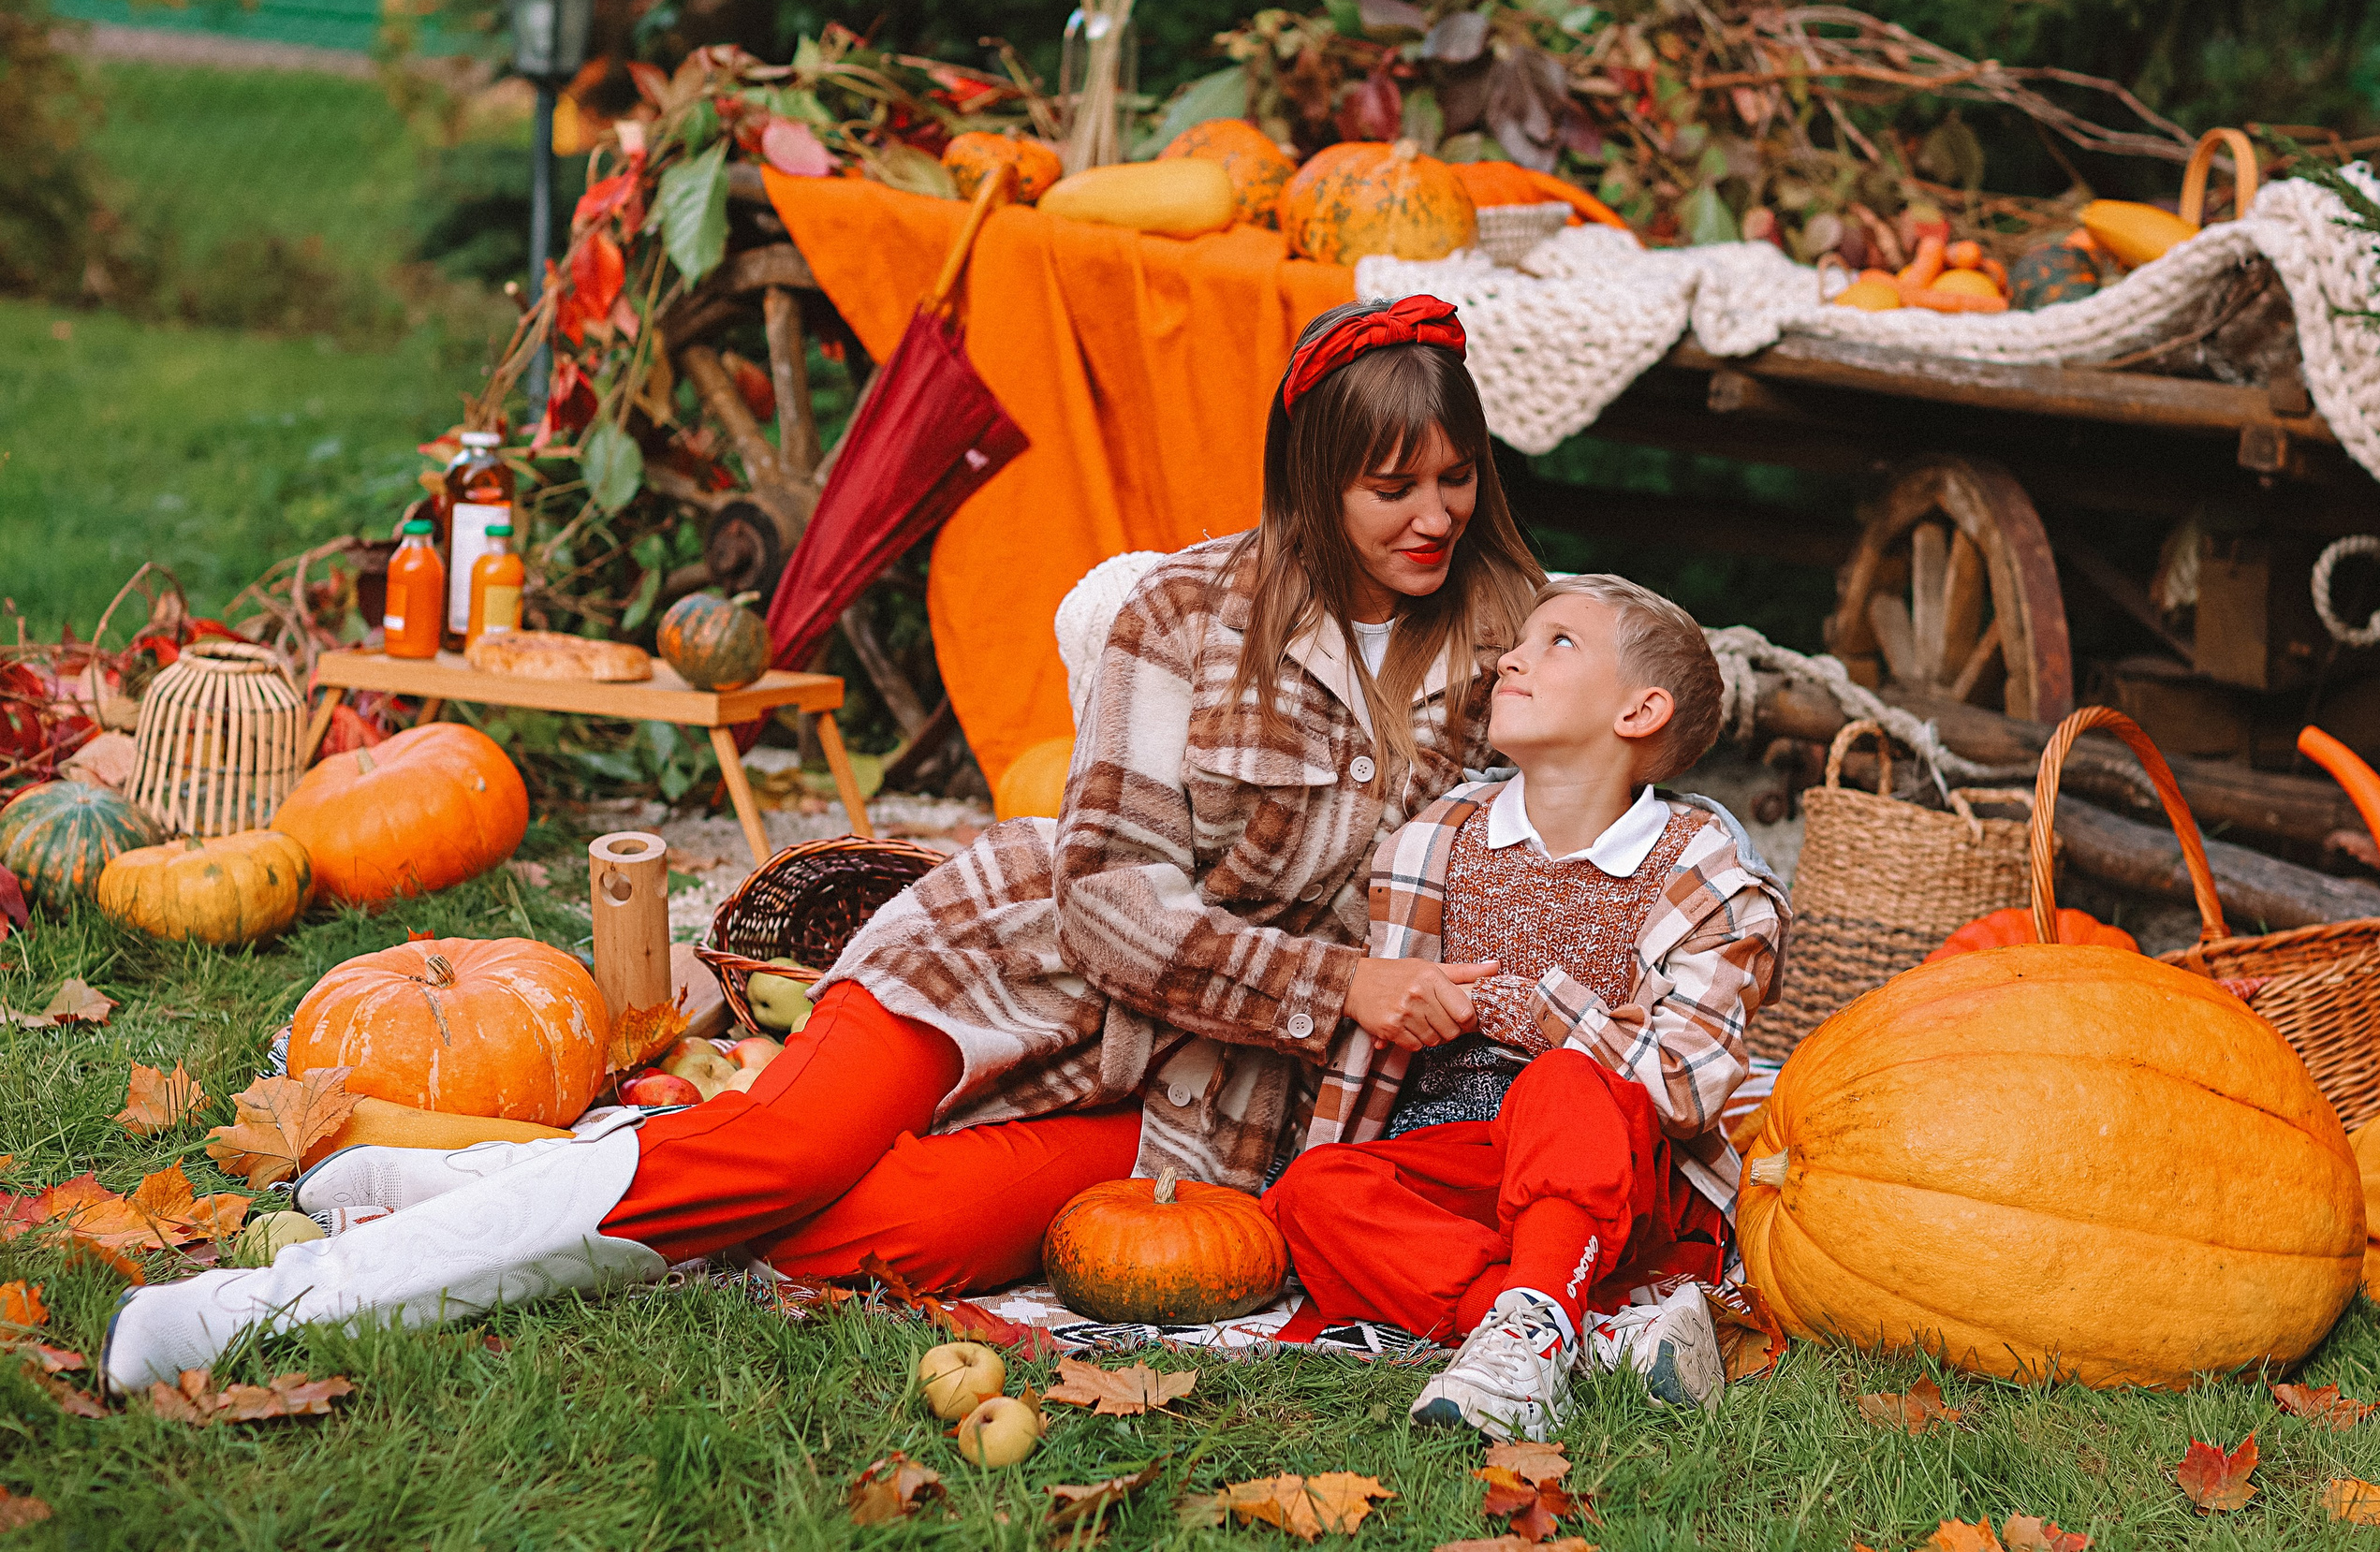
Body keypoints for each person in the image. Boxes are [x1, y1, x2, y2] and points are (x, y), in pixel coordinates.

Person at [101, 295, 1550, 1392]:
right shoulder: (1178, 615)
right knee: (782, 1149)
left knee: (897, 1232)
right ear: (1312, 474)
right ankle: (267, 1307)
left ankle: (486, 1187)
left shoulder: (1499, 642)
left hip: (1210, 1088)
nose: (1435, 516)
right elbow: (1112, 899)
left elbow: (1651, 682)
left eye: (1456, 479)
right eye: (1392, 486)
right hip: (1031, 962)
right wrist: (1335, 984)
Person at [1263, 574, 1790, 1442]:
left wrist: (1522, 1003)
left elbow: (1684, 1085)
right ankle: (1556, 1330)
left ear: (1639, 711)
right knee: (1312, 1193)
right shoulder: (1439, 840)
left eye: (1559, 643)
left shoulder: (1702, 874)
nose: (1513, 655)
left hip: (1614, 1169)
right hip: (1468, 1159)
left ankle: (1533, 1314)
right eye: (1521, 641)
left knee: (1561, 1081)